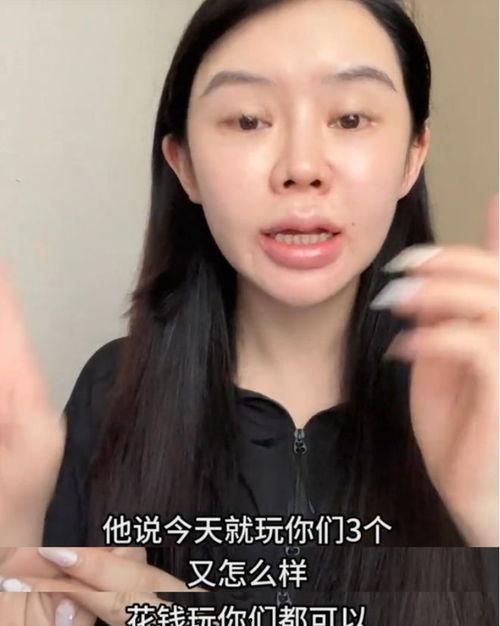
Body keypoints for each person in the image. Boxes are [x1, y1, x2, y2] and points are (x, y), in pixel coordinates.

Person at [0, 0, 497, 624]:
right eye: (246, 120)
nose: (301, 168)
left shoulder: (481, 406)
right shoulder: (111, 393)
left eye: (350, 117)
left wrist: (489, 517)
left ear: (412, 155)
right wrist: (13, 535)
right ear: (184, 165)